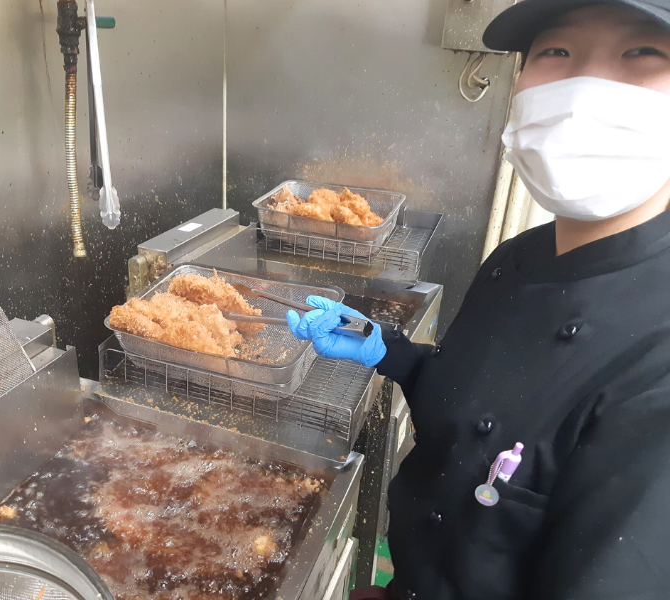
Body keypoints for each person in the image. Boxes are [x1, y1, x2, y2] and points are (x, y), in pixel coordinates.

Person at [287, 0, 670, 598]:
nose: (583, 87)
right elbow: (482, 410)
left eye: (641, 52)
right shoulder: (518, 258)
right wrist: (391, 353)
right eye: (557, 51)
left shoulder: (658, 359)